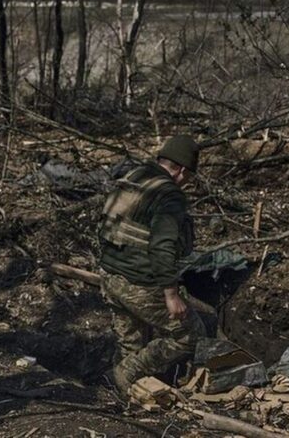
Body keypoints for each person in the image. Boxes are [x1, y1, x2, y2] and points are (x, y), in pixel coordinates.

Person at [98, 135, 206, 394]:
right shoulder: (169, 195)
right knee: (191, 335)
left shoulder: (136, 176)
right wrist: (171, 293)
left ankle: (117, 393)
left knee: (131, 342)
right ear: (181, 170)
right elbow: (162, 246)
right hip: (138, 282)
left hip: (109, 275)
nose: (187, 184)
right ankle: (125, 374)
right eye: (189, 177)